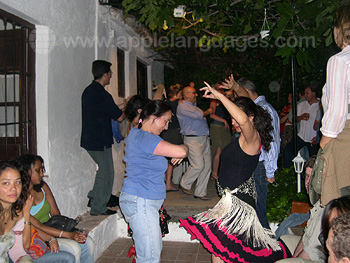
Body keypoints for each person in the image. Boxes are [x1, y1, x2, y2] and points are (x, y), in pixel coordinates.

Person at [180, 83, 291, 263]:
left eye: (235, 118)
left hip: (239, 203)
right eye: (231, 118)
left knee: (220, 248)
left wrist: (219, 96)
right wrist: (235, 89)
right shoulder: (243, 138)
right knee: (221, 249)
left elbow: (244, 120)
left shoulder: (253, 138)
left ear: (251, 118)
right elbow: (244, 108)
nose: (233, 122)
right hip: (230, 199)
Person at [119, 100, 188, 263]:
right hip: (141, 201)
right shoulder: (145, 138)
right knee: (149, 258)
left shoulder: (139, 134)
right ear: (154, 117)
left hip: (141, 200)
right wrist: (184, 149)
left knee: (149, 254)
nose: (166, 127)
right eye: (165, 121)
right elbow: (181, 150)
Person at [17, 154, 94, 263]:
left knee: (88, 243)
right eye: (37, 170)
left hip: (53, 229)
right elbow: (37, 226)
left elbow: (56, 215)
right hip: (38, 235)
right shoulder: (19, 198)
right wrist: (67, 235)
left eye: (42, 170)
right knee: (74, 249)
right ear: (27, 172)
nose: (42, 174)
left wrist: (65, 232)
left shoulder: (43, 187)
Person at [0, 161, 75, 263]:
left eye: (17, 182)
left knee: (69, 257)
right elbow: (39, 226)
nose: (13, 188)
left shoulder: (17, 212)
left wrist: (26, 214)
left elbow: (22, 248)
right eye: (6, 183)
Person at [234, 77, 280, 230]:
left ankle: (269, 248)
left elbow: (272, 141)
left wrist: (270, 170)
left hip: (259, 166)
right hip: (254, 165)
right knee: (251, 209)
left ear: (246, 92)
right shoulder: (258, 108)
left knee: (258, 211)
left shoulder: (263, 110)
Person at [81, 60, 125, 216]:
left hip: (90, 138)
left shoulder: (89, 91)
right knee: (107, 173)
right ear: (105, 74)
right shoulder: (103, 94)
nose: (111, 76)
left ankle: (94, 197)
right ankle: (98, 207)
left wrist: (121, 106)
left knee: (104, 171)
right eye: (110, 74)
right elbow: (119, 117)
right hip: (99, 140)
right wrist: (130, 107)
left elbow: (107, 110)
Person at [319, 4, 350, 206]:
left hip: (344, 137)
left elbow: (338, 111)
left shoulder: (340, 61)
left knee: (338, 208)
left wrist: (324, 144)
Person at [177, 86, 213, 200]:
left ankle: (200, 192)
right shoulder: (182, 107)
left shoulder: (195, 106)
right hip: (192, 139)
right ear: (186, 94)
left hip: (204, 138)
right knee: (198, 165)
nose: (196, 95)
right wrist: (209, 111)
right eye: (193, 93)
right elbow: (199, 115)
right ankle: (184, 183)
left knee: (207, 167)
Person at [284, 85, 320, 168]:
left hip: (313, 138)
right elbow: (293, 119)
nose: (305, 95)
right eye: (305, 93)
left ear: (314, 94)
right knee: (288, 150)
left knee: (313, 159)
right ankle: (289, 172)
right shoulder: (302, 104)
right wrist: (301, 117)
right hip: (301, 136)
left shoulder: (320, 105)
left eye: (308, 93)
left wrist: (318, 136)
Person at [160, 84, 184, 191]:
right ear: (179, 93)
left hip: (165, 131)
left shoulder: (165, 102)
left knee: (165, 157)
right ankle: (168, 183)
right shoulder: (179, 102)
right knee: (171, 159)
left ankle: (165, 181)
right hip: (174, 131)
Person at [209, 84, 231, 180]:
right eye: (219, 88)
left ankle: (222, 172)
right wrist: (224, 121)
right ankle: (214, 173)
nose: (221, 90)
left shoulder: (225, 99)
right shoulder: (214, 100)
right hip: (217, 127)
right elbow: (211, 115)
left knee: (226, 150)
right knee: (218, 150)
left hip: (224, 128)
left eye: (222, 88)